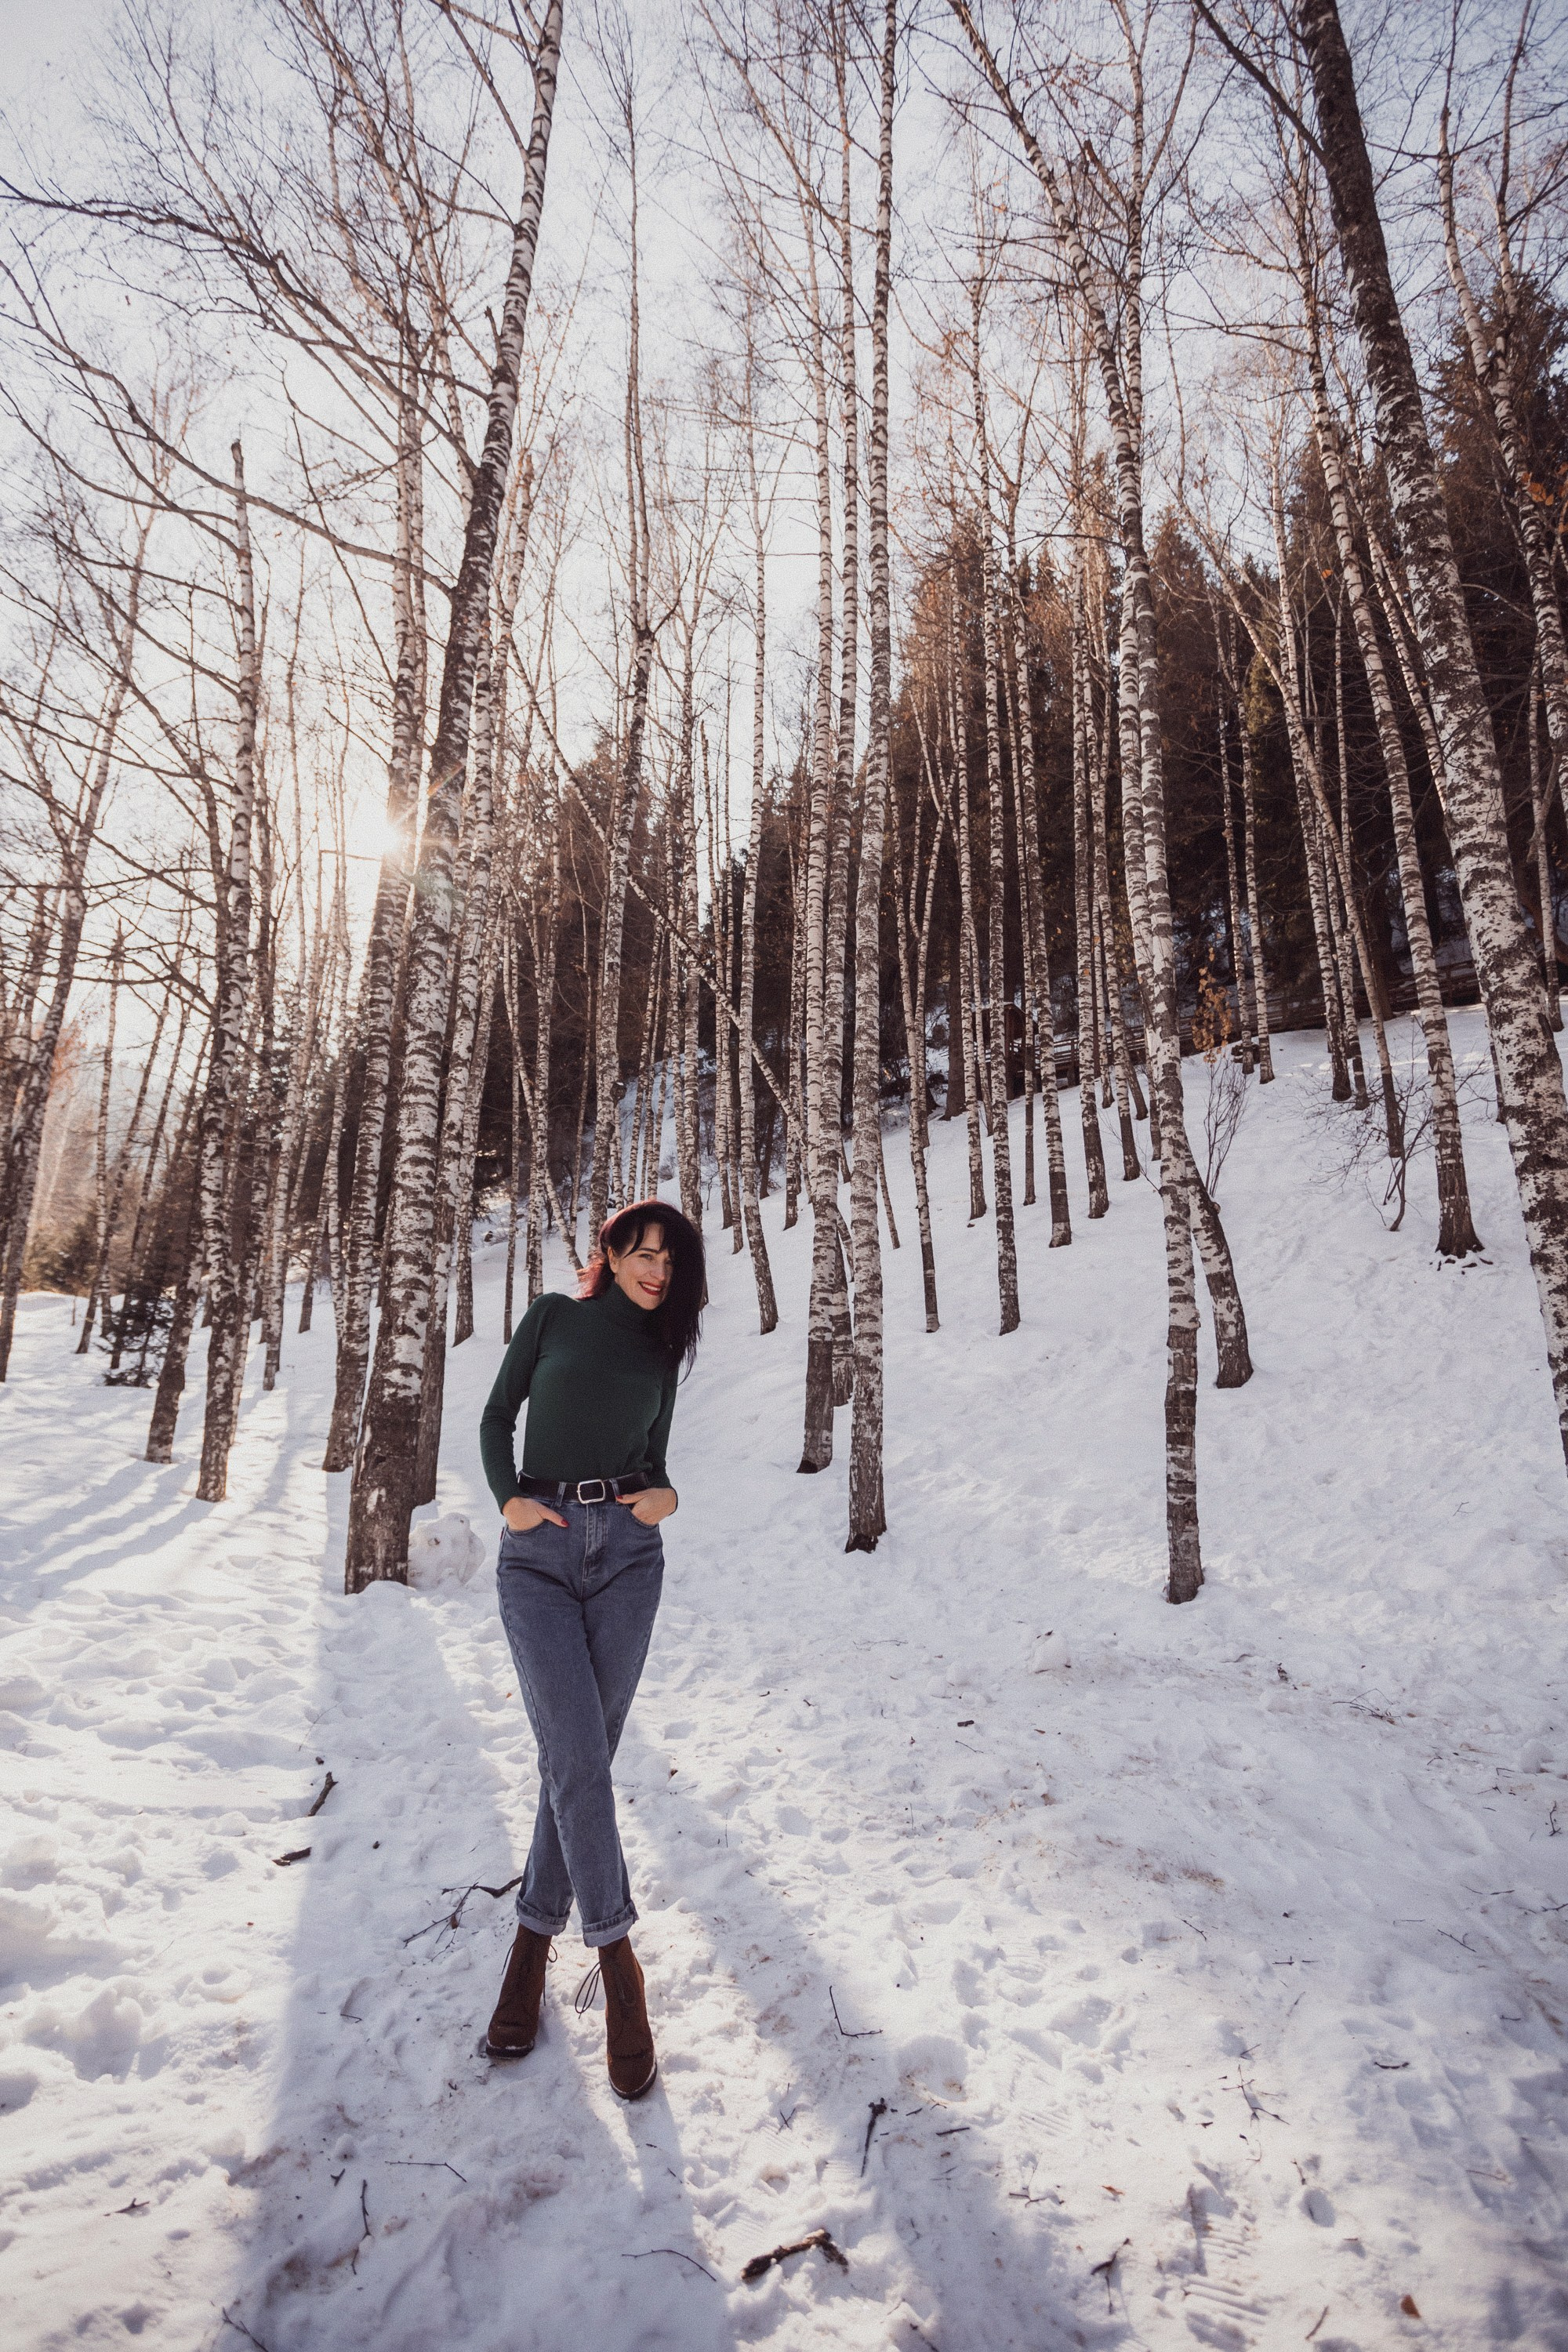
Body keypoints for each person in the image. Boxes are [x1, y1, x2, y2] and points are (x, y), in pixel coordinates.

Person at [477, 1198, 704, 2097]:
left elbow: (656, 1457)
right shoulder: (552, 1318)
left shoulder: (659, 1349)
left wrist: (666, 1498)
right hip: (536, 1555)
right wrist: (508, 1500)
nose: (656, 1272)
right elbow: (497, 1418)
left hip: (628, 1560)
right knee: (574, 1756)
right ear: (608, 1254)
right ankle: (618, 1967)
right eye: (642, 1253)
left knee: (580, 1763)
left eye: (670, 1262)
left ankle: (530, 1947)